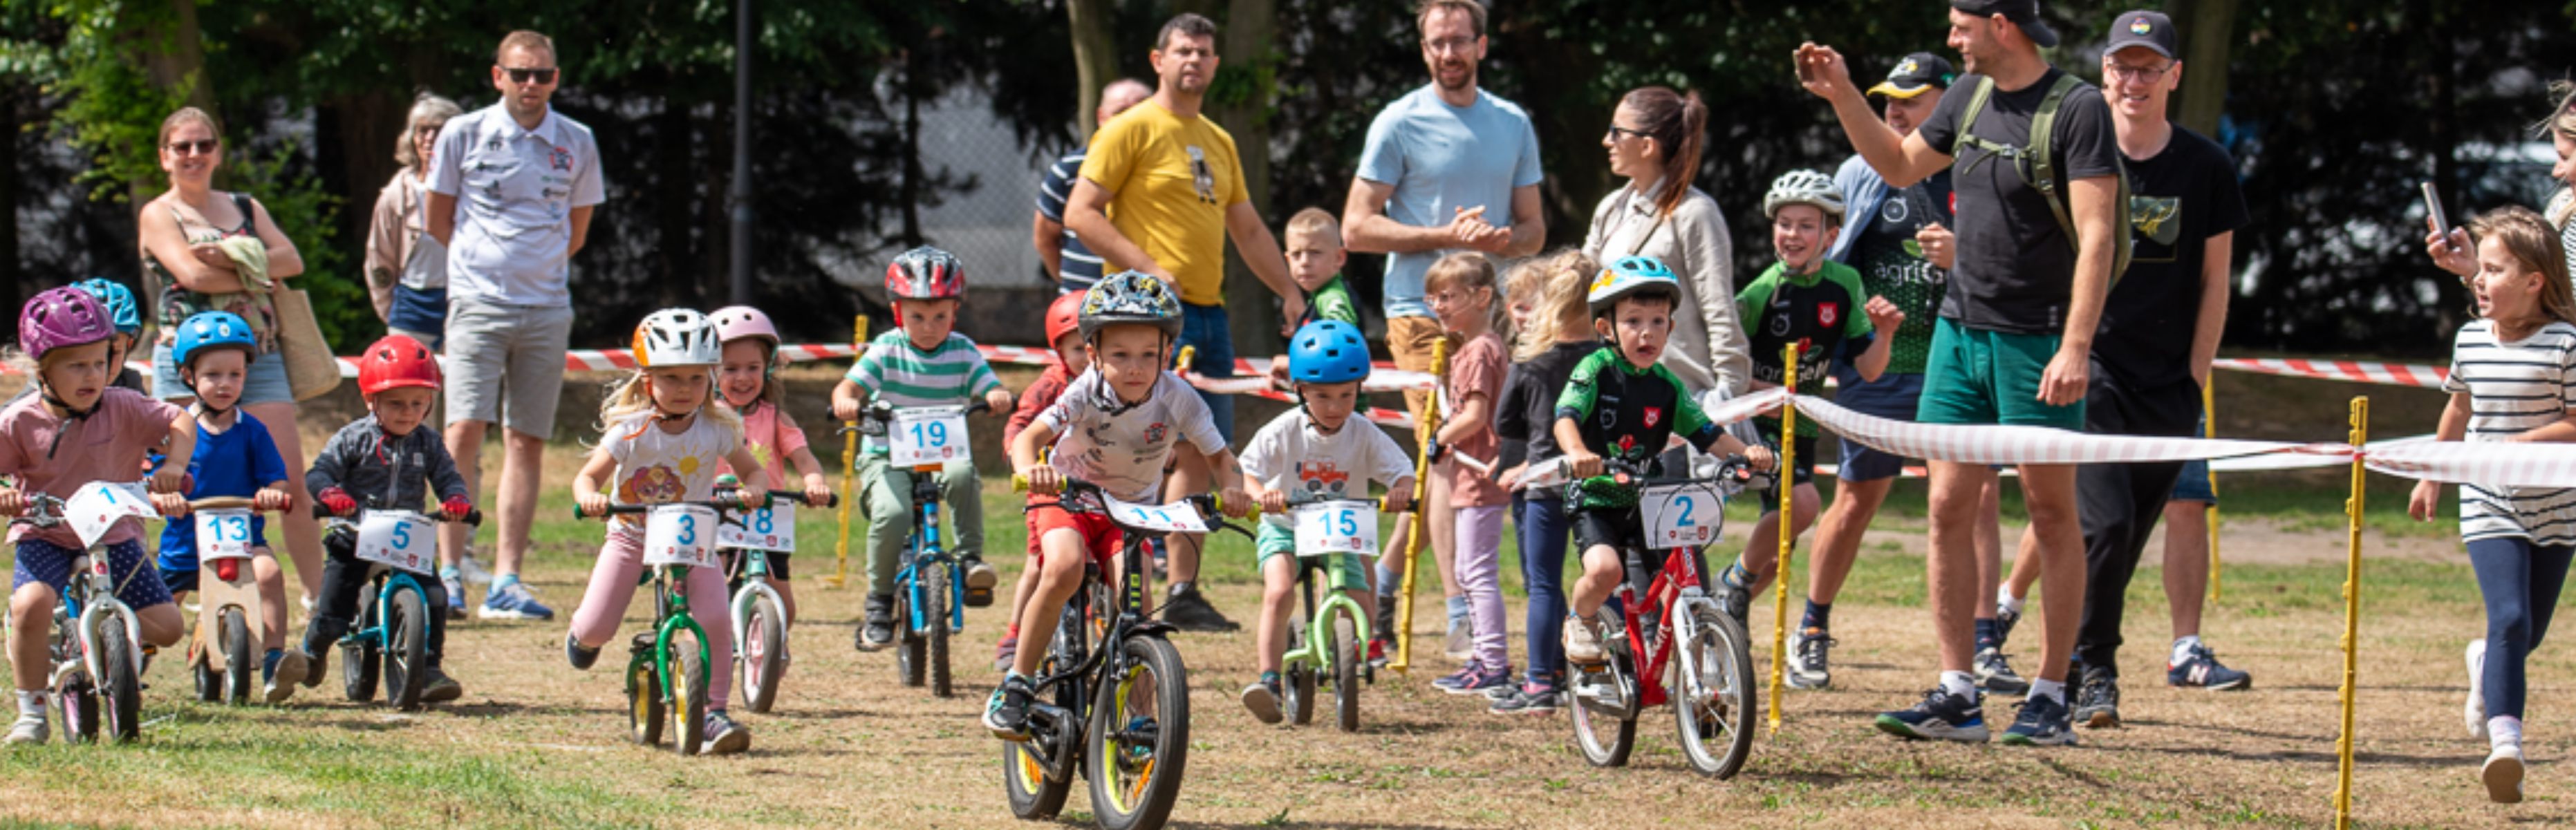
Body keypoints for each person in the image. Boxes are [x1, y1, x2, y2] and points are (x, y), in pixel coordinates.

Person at [1797, 0, 2125, 746]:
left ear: (2002, 24)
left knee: (2050, 512)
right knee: (1947, 505)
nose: (1950, 39)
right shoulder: (1969, 98)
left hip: (2037, 340)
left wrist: (2076, 346)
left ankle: (2048, 697)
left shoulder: (2076, 109)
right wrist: (1844, 93)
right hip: (1958, 330)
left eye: (1961, 25)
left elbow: (2100, 233)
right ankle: (1957, 693)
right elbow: (1897, 162)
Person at [2037, 10, 2253, 729]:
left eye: (2148, 68)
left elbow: (2215, 281)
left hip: (2168, 383)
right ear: (2103, 73)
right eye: (2122, 67)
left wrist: (2195, 377)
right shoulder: (2073, 152)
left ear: (2173, 76)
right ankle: (2094, 672)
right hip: (2087, 368)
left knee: (2123, 539)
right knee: (2103, 524)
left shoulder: (2205, 165)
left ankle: (2071, 656)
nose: (2134, 81)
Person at [1062, 12, 1305, 632]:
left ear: (1216, 64)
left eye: (1203, 52)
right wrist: (1149, 269)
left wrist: (1289, 290)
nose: (1193, 61)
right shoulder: (1131, 128)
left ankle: (1181, 588)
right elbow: (1080, 213)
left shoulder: (1219, 140)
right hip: (1145, 319)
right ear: (1158, 60)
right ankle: (1103, 563)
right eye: (1182, 51)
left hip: (1210, 313)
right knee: (1130, 446)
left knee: (1201, 444)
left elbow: (1247, 228)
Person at [1790, 52, 2013, 694]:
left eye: (1909, 98)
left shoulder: (1977, 169)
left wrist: (1962, 255)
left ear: (1950, 102)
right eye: (1888, 97)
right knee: (1858, 496)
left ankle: (1984, 643)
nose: (1893, 108)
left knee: (1979, 499)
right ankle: (1813, 629)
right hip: (1881, 361)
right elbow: (1832, 261)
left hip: (1959, 356)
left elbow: (2007, 261)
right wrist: (1855, 321)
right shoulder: (1862, 171)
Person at [1345, 0, 1544, 653]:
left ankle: (1385, 580)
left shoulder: (1513, 122)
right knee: (1449, 447)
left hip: (1492, 315)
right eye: (1437, 43)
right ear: (1423, 47)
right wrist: (1444, 238)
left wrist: (1500, 240)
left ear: (1483, 46)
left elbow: (1534, 231)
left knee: (1463, 452)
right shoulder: (1398, 122)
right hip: (1420, 312)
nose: (1448, 54)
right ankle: (1459, 608)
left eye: (1460, 41)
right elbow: (1356, 227)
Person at [989, 270, 1251, 739]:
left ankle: (1143, 715)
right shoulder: (1084, 389)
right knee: (1065, 567)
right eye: (1120, 355)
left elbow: (1220, 458)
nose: (1136, 367)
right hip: (1068, 496)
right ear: (1093, 354)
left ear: (1167, 353)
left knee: (1139, 598)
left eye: (1150, 355)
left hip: (1129, 511)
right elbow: (1031, 437)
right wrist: (1031, 469)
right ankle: (1017, 684)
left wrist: (1233, 489)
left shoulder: (1179, 398)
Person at [427, 29, 607, 621]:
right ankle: (449, 574)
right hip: (478, 301)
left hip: (547, 306)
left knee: (527, 440)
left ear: (556, 78)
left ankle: (507, 579)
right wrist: (488, 266)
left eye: (544, 75)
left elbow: (577, 231)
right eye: (521, 74)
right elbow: (439, 220)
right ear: (497, 75)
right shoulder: (463, 133)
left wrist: (535, 268)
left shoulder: (577, 140)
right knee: (463, 433)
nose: (532, 85)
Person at [2407, 206, 2576, 804]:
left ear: (2535, 282)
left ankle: (2483, 664)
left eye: (2496, 269)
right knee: (2508, 618)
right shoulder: (2470, 339)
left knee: (2523, 632)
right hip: (2488, 500)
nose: (2479, 278)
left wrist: (2520, 443)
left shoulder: (2565, 343)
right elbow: (2458, 407)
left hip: (2558, 508)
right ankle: (2507, 747)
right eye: (2482, 268)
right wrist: (2433, 474)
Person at [136, 106, 329, 608]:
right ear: (164, 157)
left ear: (218, 152)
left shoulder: (245, 204)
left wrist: (226, 258)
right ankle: (170, 599)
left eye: (204, 145)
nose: (194, 155)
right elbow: (191, 277)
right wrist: (251, 262)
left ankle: (321, 597)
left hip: (258, 358)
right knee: (180, 480)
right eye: (182, 147)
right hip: (185, 364)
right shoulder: (159, 213)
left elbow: (293, 260)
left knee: (287, 480)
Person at [563, 309, 764, 756]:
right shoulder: (631, 430)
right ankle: (582, 636)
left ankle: (713, 713)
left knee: (714, 617)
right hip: (633, 533)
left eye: (696, 378)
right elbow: (587, 478)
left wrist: (753, 489)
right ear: (646, 377)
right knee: (597, 626)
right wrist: (592, 496)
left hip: (692, 537)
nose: (684, 389)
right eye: (670, 378)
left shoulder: (717, 428)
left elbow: (755, 472)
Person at [0, 287, 196, 744]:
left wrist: (173, 465)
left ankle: (101, 634)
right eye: (75, 365)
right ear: (41, 369)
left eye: (100, 360)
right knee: (30, 606)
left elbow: (180, 422)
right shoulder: (19, 420)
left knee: (168, 626)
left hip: (113, 533)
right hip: (46, 532)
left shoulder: (122, 404)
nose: (93, 374)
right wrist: (6, 495)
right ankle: (30, 711)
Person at [1556, 259, 1773, 665]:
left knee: (1685, 570)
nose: (1646, 332)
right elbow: (1565, 416)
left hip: (1646, 499)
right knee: (1606, 572)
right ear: (1606, 330)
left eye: (1658, 321)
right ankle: (1579, 619)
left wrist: (1746, 455)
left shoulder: (1668, 386)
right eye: (1633, 321)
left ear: (1671, 329)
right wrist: (1578, 453)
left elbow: (1707, 435)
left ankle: (1699, 658)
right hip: (1596, 497)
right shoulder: (1596, 369)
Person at [1716, 171, 1903, 626]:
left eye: (1805, 225)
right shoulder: (1760, 293)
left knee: (1778, 556)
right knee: (1802, 506)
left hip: (1799, 425)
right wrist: (1769, 395)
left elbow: (1870, 368)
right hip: (1758, 428)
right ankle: (1733, 581)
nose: (1792, 234)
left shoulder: (1845, 284)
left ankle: (1716, 618)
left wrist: (1886, 332)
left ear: (1830, 235)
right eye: (1784, 223)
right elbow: (1728, 372)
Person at [831, 247, 1013, 649]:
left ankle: (970, 561)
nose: (929, 327)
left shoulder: (962, 350)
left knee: (965, 475)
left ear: (955, 313)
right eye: (917, 317)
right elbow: (848, 387)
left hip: (943, 455)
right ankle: (878, 599)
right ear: (899, 314)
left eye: (939, 317)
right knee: (893, 515)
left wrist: (997, 394)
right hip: (887, 455)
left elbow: (988, 384)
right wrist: (847, 400)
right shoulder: (887, 349)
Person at [1238, 320, 1415, 722]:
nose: (1335, 407)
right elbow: (1246, 470)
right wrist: (1260, 495)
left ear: (1360, 390)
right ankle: (1269, 680)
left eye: (1345, 396)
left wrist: (1401, 490)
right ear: (1300, 390)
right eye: (1322, 396)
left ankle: (1344, 649)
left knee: (1362, 601)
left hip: (1339, 531)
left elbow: (1401, 469)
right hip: (1285, 527)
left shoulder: (1363, 432)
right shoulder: (1284, 430)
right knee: (1280, 591)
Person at [295, 334, 476, 704]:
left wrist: (456, 500)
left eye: (418, 403)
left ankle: (428, 668)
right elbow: (319, 473)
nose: (407, 412)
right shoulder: (354, 438)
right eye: (395, 403)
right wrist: (332, 495)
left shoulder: (428, 442)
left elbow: (448, 477)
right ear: (370, 400)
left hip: (408, 536)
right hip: (354, 533)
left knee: (436, 595)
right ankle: (312, 651)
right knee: (334, 611)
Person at [154, 311, 301, 703]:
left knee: (269, 574)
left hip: (242, 539)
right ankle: (130, 664)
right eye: (213, 375)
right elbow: (154, 480)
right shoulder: (175, 430)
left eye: (235, 375)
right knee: (154, 608)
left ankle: (273, 660)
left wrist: (273, 492)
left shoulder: (253, 429)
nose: (225, 384)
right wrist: (164, 496)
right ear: (188, 377)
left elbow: (278, 478)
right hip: (186, 543)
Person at [1583, 86, 1750, 404]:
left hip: (1684, 402)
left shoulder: (1695, 213)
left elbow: (1718, 307)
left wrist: (1728, 391)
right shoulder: (1610, 208)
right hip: (1620, 396)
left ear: (1647, 145)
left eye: (1616, 132)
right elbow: (1581, 288)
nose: (1607, 141)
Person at [1488, 249, 1600, 715]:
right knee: (1599, 577)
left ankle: (1540, 683)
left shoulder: (1531, 359)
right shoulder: (1607, 357)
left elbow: (1504, 422)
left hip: (1546, 484)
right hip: (1597, 483)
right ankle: (1592, 673)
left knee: (1543, 585)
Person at [710, 305, 836, 628]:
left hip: (768, 520)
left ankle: (771, 648)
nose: (742, 377)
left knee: (784, 608)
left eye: (753, 367)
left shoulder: (776, 418)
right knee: (712, 599)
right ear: (711, 370)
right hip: (715, 517)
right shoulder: (704, 419)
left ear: (767, 369)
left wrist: (814, 483)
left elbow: (805, 460)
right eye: (731, 368)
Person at [1421, 254, 1513, 695]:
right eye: (1433, 297)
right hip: (1470, 476)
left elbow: (1475, 415)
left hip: (1481, 475)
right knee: (1466, 568)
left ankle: (1493, 661)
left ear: (1482, 297)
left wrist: (1441, 436)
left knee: (1476, 572)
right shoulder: (1474, 349)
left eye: (1448, 296)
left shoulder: (1480, 351)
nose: (1437, 305)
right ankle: (1482, 656)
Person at [997, 292, 1092, 671]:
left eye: (1093, 346)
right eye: (1077, 349)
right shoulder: (1052, 386)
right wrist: (1023, 466)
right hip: (1051, 487)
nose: (1087, 358)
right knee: (1039, 564)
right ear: (1059, 351)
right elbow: (1019, 425)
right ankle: (1016, 632)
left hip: (1101, 486)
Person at [2425, 82, 2576, 284]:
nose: (2556, 171)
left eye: (2564, 157)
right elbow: (2536, 308)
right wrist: (2473, 270)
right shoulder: (2562, 212)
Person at [1034, 79, 1152, 293]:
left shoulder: (1168, 172)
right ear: (1101, 118)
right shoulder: (1071, 169)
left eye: (1140, 111)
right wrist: (1072, 284)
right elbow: (1045, 238)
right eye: (1120, 113)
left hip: (1151, 301)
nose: (1131, 122)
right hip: (1083, 304)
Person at [366, 92, 465, 348]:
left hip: (464, 299)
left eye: (439, 131)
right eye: (423, 131)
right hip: (413, 304)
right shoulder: (395, 194)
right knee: (409, 384)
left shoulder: (472, 188)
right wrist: (391, 311)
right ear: (412, 137)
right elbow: (379, 259)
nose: (430, 139)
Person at [1266, 209, 1363, 387]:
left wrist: (1292, 363)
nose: (1304, 262)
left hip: (1337, 404)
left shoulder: (1332, 298)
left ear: (1339, 258)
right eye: (1296, 255)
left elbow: (1341, 347)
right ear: (1288, 261)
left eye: (1315, 252)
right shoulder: (1321, 296)